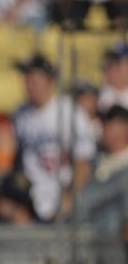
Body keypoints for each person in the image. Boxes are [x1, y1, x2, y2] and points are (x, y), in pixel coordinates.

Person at [13, 53, 96, 221]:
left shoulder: (69, 112)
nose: (30, 85)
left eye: (35, 80)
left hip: (65, 193)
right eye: (27, 80)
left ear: (49, 81)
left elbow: (83, 163)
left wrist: (68, 199)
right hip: (33, 195)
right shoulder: (21, 115)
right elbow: (21, 162)